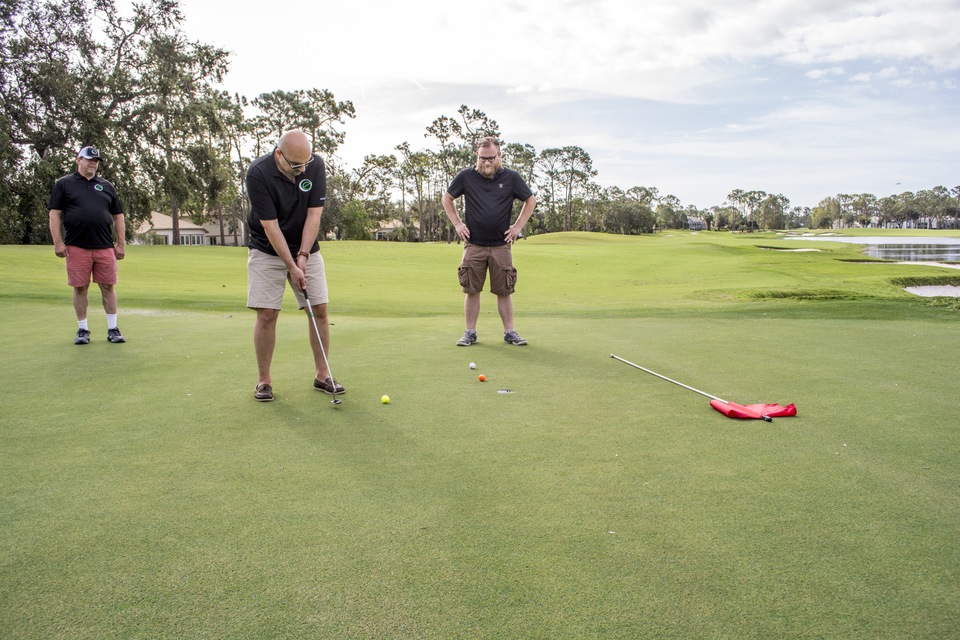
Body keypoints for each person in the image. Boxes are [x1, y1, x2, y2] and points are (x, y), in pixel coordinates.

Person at [245, 129, 345, 402]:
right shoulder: (258, 174)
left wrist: (302, 256)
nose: (302, 170)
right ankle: (264, 381)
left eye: (305, 164)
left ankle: (322, 375)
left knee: (320, 308)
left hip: (305, 246)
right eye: (295, 165)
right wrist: (291, 264)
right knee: (267, 313)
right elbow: (270, 226)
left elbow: (314, 215)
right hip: (267, 248)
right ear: (279, 154)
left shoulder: (315, 165)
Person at [441, 137, 537, 347]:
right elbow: (447, 198)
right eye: (482, 158)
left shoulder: (511, 177)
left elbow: (530, 200)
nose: (486, 163)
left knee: (504, 290)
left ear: (499, 156)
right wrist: (457, 224)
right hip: (474, 244)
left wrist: (518, 227)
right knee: (472, 290)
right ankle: (470, 332)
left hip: (501, 245)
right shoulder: (466, 176)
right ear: (477, 155)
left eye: (490, 158)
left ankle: (510, 332)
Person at [48, 145, 126, 345]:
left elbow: (118, 216)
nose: (92, 163)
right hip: (76, 245)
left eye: (96, 161)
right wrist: (58, 242)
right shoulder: (64, 184)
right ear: (78, 160)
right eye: (88, 159)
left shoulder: (106, 186)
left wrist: (120, 244)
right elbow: (54, 214)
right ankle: (83, 330)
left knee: (108, 286)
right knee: (80, 287)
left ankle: (113, 328)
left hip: (104, 246)